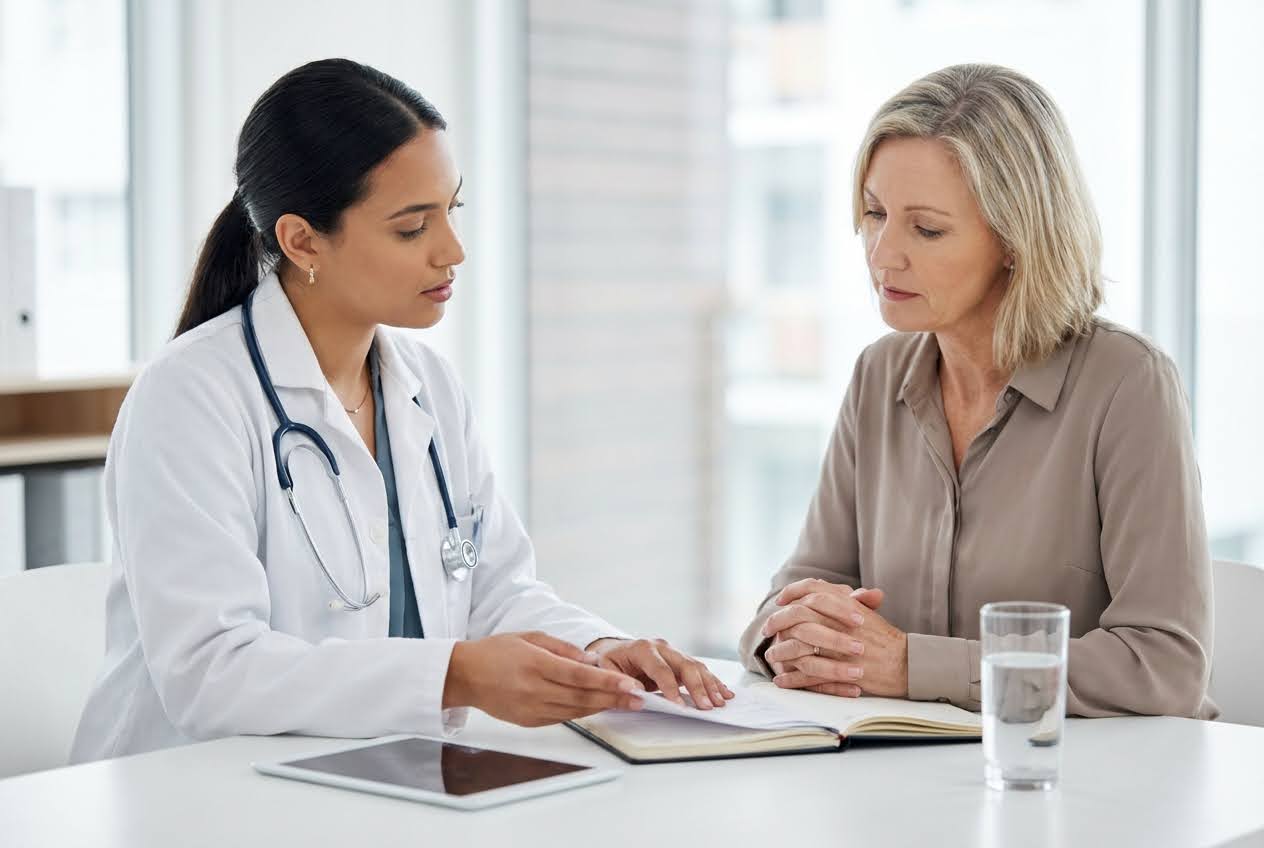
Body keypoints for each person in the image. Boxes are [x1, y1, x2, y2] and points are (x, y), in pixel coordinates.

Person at [71, 58, 731, 763]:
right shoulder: (191, 398)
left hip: (369, 780)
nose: (453, 251)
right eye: (413, 228)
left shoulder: (428, 387)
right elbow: (211, 677)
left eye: (453, 210)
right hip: (187, 796)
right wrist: (455, 675)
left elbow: (496, 592)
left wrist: (598, 650)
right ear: (302, 241)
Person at [739, 63, 1215, 719]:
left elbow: (1163, 668)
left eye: (926, 229)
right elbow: (800, 592)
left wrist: (911, 665)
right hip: (919, 782)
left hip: (1097, 787)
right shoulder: (878, 375)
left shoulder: (1128, 385)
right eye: (875, 213)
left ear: (1016, 240)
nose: (882, 255)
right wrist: (783, 641)